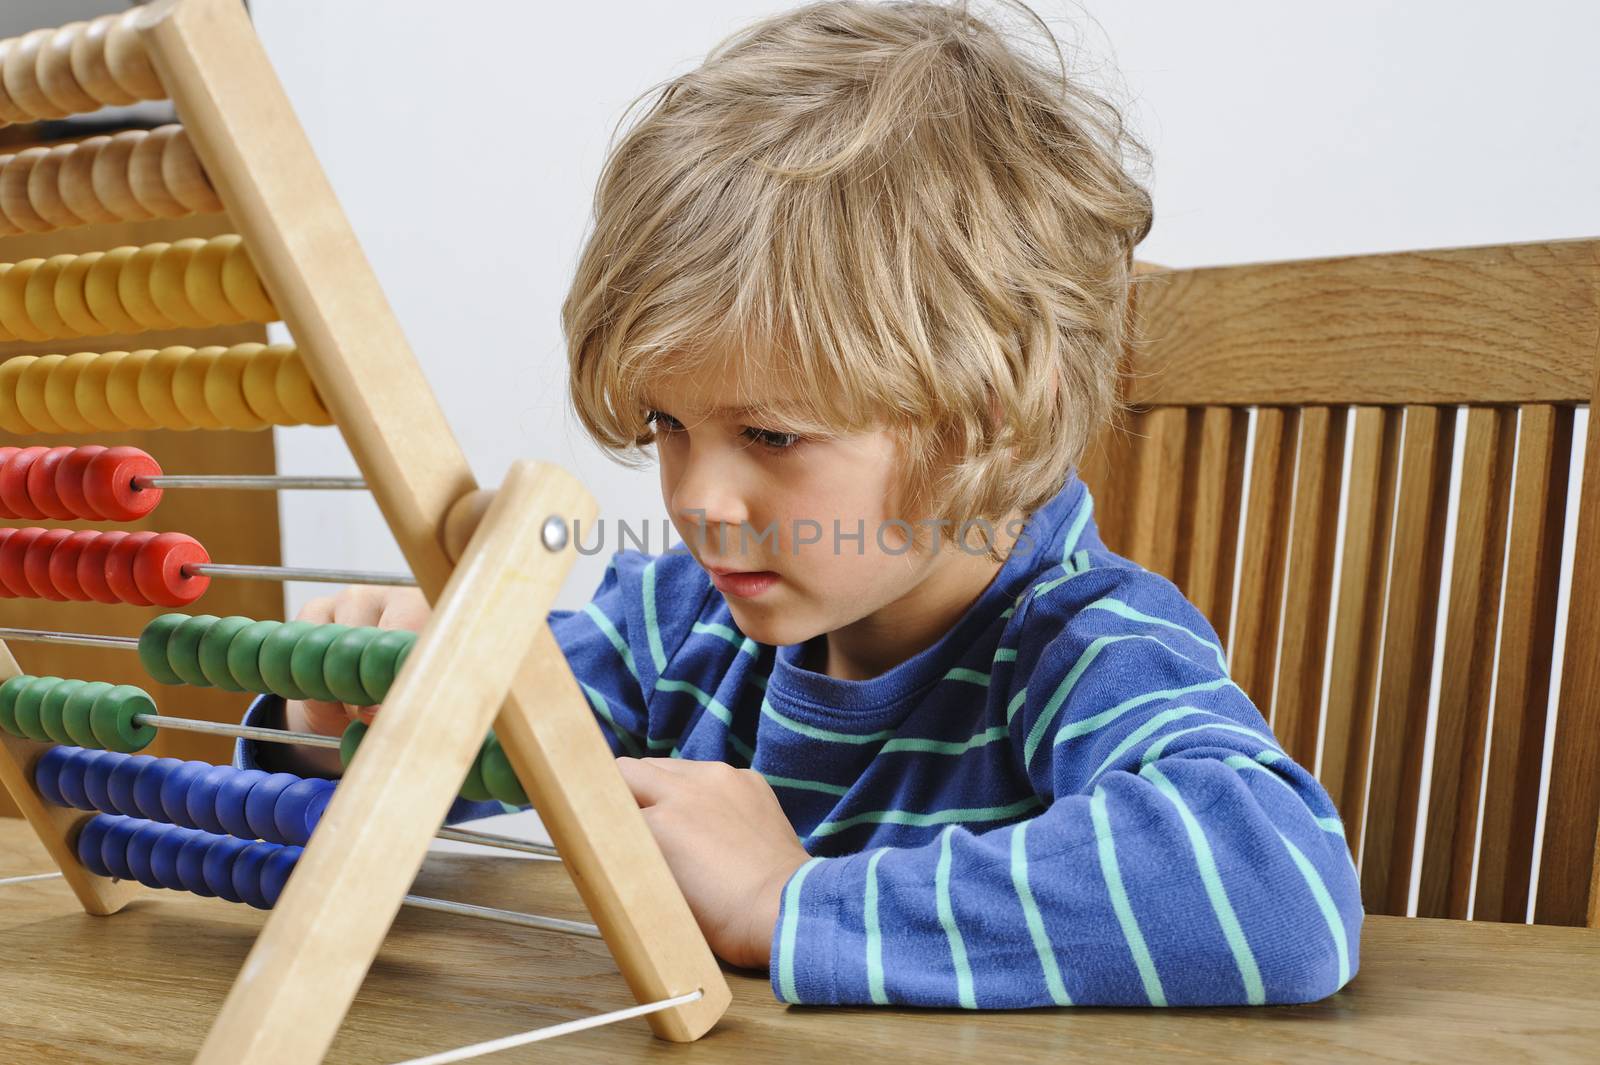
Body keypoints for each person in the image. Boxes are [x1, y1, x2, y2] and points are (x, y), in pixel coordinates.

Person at [236, 0, 1362, 1008]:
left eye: (770, 435)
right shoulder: (678, 625)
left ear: (994, 417)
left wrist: (792, 901)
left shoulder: (1081, 645)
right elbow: (470, 761)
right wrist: (346, 723)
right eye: (664, 427)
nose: (696, 498)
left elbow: (1278, 894)